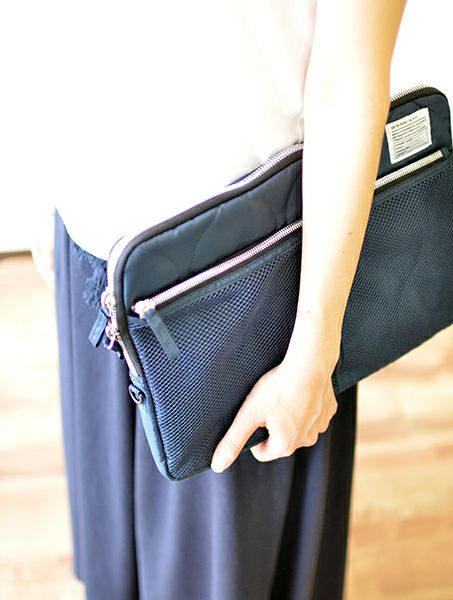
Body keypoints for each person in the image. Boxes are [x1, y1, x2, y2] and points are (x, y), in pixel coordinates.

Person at [31, 1, 408, 598]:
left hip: (236, 294)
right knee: (112, 562)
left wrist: (312, 355)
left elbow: (349, 78)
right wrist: (47, 180)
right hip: (93, 243)